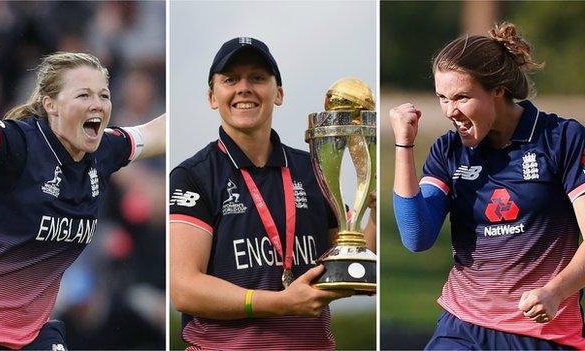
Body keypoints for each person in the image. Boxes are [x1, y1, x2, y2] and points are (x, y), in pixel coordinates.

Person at [169, 37, 376, 350]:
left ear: (278, 93)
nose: (244, 88)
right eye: (230, 79)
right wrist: (280, 302)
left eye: (257, 77)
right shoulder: (194, 176)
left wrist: (374, 214)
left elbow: (353, 269)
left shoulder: (313, 168)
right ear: (213, 96)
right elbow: (184, 288)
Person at [390, 22, 585, 350]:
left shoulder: (562, 139)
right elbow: (416, 237)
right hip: (462, 328)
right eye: (442, 98)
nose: (451, 111)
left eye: (462, 97)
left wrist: (555, 292)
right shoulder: (449, 150)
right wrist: (403, 146)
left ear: (497, 89)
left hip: (542, 334)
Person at [0, 52, 165, 350]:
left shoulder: (104, 150)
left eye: (103, 95)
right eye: (84, 95)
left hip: (34, 333)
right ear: (50, 105)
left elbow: (158, 132)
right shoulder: (17, 146)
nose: (97, 104)